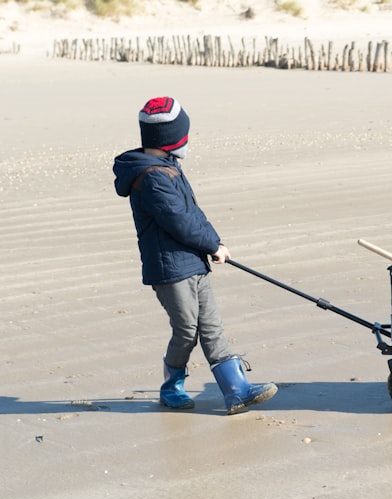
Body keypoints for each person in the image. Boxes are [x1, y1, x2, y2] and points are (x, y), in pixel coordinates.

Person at [113, 96, 277, 415]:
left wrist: (215, 242)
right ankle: (171, 385)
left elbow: (194, 212)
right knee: (187, 330)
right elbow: (179, 221)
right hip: (169, 270)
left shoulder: (169, 167)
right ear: (172, 138)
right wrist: (210, 245)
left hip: (193, 261)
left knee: (212, 326)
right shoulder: (152, 178)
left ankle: (235, 389)